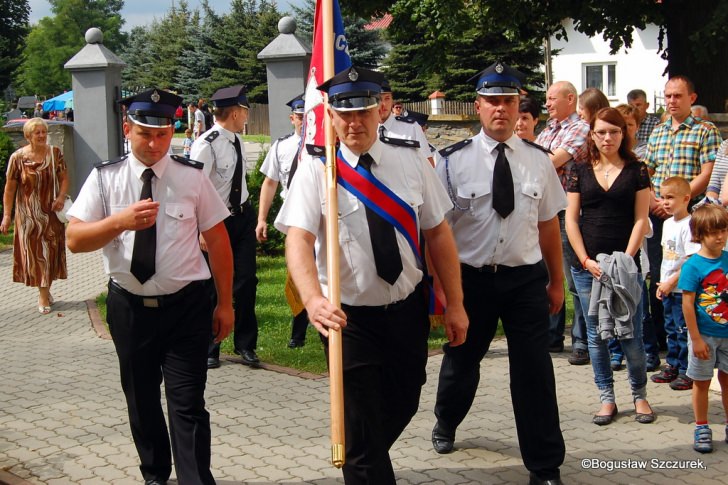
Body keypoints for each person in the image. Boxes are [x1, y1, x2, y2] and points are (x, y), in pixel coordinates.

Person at [275, 66, 468, 485]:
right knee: (360, 428)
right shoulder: (316, 171)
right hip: (348, 320)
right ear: (330, 115)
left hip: (406, 312)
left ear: (380, 110)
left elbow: (438, 232)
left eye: (362, 111)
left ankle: (364, 455)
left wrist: (455, 304)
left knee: (404, 401)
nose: (354, 122)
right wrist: (312, 299)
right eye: (344, 114)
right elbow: (299, 242)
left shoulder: (411, 159)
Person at [65, 88, 234, 485]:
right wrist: (118, 223)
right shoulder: (105, 178)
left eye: (163, 134)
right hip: (129, 309)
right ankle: (155, 475)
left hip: (186, 308)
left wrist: (225, 303)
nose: (155, 143)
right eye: (145, 134)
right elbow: (75, 239)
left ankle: (195, 479)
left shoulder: (191, 177)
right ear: (128, 129)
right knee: (141, 399)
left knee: (187, 402)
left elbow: (220, 242)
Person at [433, 62, 566, 485]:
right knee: (462, 362)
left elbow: (548, 224)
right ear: (478, 106)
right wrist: (443, 292)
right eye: (492, 101)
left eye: (508, 101)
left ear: (517, 105)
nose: (501, 110)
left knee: (534, 373)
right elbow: (438, 231)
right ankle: (446, 420)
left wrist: (557, 280)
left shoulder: (539, 162)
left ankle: (545, 465)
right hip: (471, 280)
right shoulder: (452, 162)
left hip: (524, 279)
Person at [566, 107, 655, 426]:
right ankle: (607, 398)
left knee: (631, 333)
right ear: (592, 134)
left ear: (623, 134)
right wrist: (586, 260)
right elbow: (571, 219)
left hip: (624, 266)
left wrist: (626, 259)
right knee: (596, 336)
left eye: (614, 131)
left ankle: (640, 394)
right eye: (601, 131)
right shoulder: (579, 169)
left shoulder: (637, 170)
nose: (607, 137)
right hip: (587, 267)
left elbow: (641, 218)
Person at [644, 75, 722, 377]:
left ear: (692, 97)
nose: (672, 101)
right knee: (661, 277)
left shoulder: (705, 131)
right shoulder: (658, 132)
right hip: (659, 213)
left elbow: (708, 173)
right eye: (667, 96)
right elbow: (647, 170)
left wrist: (681, 201)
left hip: (692, 215)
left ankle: (695, 357)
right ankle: (669, 352)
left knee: (689, 280)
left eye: (677, 96)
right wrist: (656, 200)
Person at [191, 85, 261, 369]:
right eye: (244, 111)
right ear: (234, 112)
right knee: (212, 286)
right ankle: (211, 346)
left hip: (242, 217)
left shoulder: (237, 140)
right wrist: (198, 229)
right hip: (215, 221)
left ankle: (246, 344)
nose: (246, 116)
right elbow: (192, 188)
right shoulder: (205, 144)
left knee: (246, 281)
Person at [536, 80, 590, 364]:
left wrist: (533, 161)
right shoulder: (547, 130)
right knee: (547, 277)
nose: (547, 103)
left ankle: (581, 341)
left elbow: (550, 162)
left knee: (574, 279)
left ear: (570, 99)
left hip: (568, 211)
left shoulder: (579, 128)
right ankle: (552, 337)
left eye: (552, 98)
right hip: (544, 211)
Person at [257, 94, 309, 348]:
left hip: (319, 215)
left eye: (307, 116)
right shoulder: (281, 146)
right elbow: (269, 182)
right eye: (299, 117)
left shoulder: (327, 145)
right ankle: (298, 333)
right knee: (297, 272)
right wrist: (261, 219)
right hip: (294, 215)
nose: (303, 121)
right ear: (292, 119)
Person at [1, 117, 68, 314]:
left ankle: (44, 291)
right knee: (36, 256)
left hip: (51, 213)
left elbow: (64, 179)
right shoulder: (18, 158)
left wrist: (62, 197)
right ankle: (43, 292)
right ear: (28, 136)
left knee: (49, 254)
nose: (41, 135)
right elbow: (10, 189)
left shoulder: (55, 154)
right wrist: (7, 216)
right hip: (28, 216)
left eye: (43, 132)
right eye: (37, 132)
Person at [678, 203, 728, 453]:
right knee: (702, 382)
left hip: (727, 335)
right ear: (699, 234)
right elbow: (687, 305)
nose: (720, 237)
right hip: (704, 336)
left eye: (723, 230)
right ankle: (701, 426)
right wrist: (695, 339)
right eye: (713, 232)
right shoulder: (693, 266)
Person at [652, 177, 701, 390]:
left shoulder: (689, 225)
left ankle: (686, 370)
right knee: (670, 328)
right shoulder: (667, 223)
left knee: (683, 329)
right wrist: (662, 283)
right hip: (667, 287)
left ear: (686, 199)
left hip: (681, 288)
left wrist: (672, 282)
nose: (665, 202)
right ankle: (672, 364)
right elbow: (667, 257)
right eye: (662, 197)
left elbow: (691, 261)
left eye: (670, 198)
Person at [378, 78, 434, 166]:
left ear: (392, 101)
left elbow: (428, 164)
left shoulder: (411, 127)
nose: (383, 104)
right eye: (378, 99)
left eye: (387, 98)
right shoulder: (364, 130)